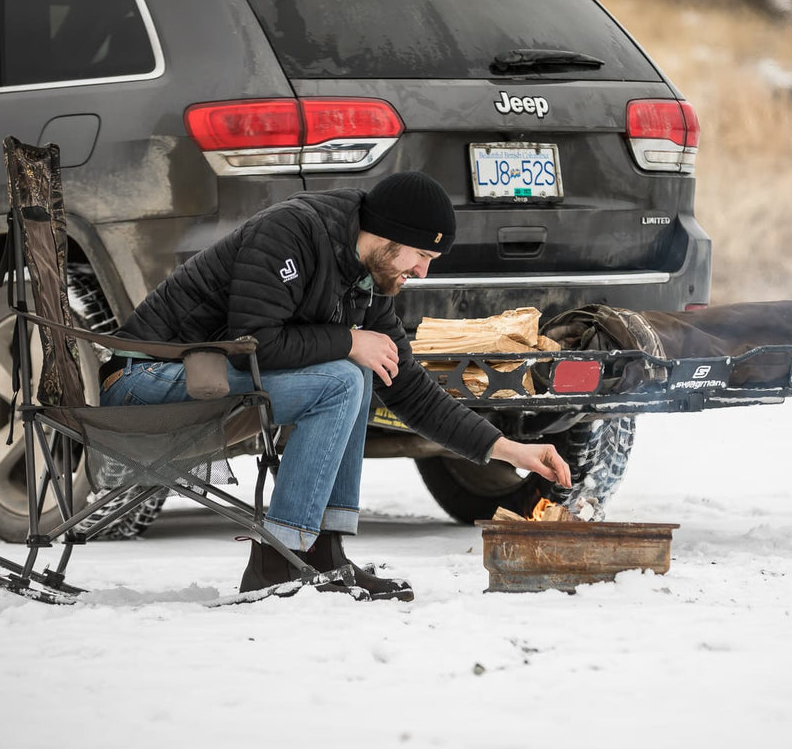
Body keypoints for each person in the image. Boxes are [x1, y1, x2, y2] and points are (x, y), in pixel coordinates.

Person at [98, 171, 572, 599]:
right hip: (144, 380)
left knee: (361, 370)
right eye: (422, 255)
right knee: (344, 375)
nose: (423, 272)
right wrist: (347, 340)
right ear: (390, 236)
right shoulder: (291, 231)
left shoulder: (366, 277)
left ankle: (325, 555)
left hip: (210, 379)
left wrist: (509, 449)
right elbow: (255, 340)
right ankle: (278, 561)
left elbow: (409, 389)